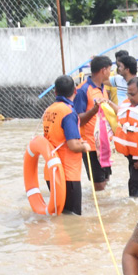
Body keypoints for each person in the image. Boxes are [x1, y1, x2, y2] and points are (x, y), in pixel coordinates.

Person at [39, 75, 90, 215]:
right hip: (68, 174)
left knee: (61, 215)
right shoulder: (68, 112)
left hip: (51, 172)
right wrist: (84, 147)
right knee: (73, 218)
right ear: (75, 90)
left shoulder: (49, 110)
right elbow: (73, 145)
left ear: (55, 92)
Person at [73, 55, 115, 191]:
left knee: (107, 181)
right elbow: (78, 120)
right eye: (110, 69)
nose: (110, 72)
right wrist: (94, 110)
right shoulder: (83, 90)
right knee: (99, 185)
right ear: (103, 70)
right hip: (90, 145)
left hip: (104, 144)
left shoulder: (102, 89)